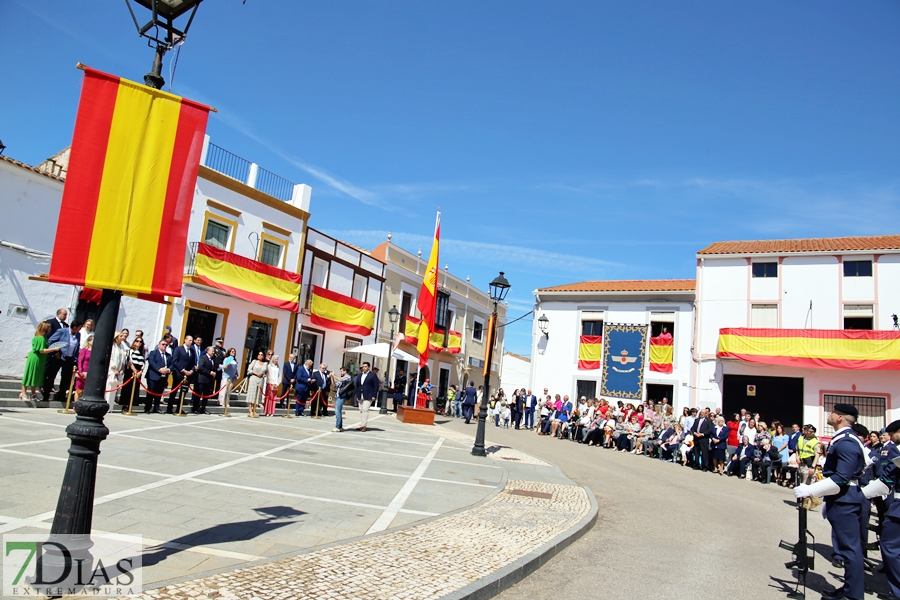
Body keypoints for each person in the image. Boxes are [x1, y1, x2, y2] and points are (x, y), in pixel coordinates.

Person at [795, 404, 867, 600]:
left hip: (845, 499)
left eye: (833, 412)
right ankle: (850, 589)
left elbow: (842, 477)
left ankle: (853, 595)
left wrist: (810, 490)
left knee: (850, 550)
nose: (830, 414)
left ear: (840, 417)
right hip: (841, 498)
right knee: (847, 549)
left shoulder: (846, 442)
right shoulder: (845, 439)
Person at [45, 320, 82, 403]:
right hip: (59, 357)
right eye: (79, 328)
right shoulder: (62, 331)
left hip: (69, 358)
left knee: (66, 378)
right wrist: (56, 352)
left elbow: (77, 346)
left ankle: (61, 395)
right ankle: (46, 394)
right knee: (51, 375)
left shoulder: (78, 335)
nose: (80, 329)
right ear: (75, 327)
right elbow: (51, 341)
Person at [21, 322, 57, 401]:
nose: (50, 329)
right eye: (48, 328)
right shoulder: (40, 338)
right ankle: (23, 393)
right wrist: (54, 349)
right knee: (29, 375)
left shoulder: (42, 337)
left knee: (35, 376)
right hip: (36, 359)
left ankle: (33, 394)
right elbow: (41, 350)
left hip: (39, 359)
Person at [170, 335, 197, 415]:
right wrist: (183, 370)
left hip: (187, 375)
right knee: (174, 391)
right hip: (178, 373)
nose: (191, 342)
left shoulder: (192, 351)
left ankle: (179, 407)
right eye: (189, 340)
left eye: (192, 340)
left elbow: (193, 363)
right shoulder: (178, 349)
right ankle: (170, 408)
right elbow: (175, 361)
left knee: (183, 392)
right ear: (185, 340)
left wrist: (191, 371)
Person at [145, 340, 171, 413]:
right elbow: (152, 362)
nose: (164, 346)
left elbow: (172, 364)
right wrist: (159, 369)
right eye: (163, 344)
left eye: (166, 345)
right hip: (153, 376)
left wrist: (168, 370)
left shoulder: (168, 355)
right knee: (151, 392)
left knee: (159, 393)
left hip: (163, 377)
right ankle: (148, 408)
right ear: (159, 345)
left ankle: (156, 407)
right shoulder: (153, 353)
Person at [120, 338, 145, 411]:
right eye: (137, 341)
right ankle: (125, 405)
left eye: (140, 342)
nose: (139, 343)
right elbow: (129, 361)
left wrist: (140, 371)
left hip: (138, 372)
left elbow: (143, 363)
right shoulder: (130, 351)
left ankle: (131, 405)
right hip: (131, 371)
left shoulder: (141, 352)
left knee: (134, 389)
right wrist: (134, 370)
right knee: (128, 388)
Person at [354, 361, 378, 432]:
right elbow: (357, 385)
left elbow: (376, 385)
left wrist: (374, 395)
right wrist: (357, 395)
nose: (364, 368)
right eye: (363, 366)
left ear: (368, 367)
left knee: (365, 409)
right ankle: (361, 424)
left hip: (368, 395)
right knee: (361, 410)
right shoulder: (360, 375)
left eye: (365, 367)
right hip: (360, 394)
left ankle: (364, 425)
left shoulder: (372, 375)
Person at [193, 346, 217, 415]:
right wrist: (209, 372)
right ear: (207, 351)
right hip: (202, 379)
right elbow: (200, 367)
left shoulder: (212, 359)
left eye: (213, 351)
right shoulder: (203, 358)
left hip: (209, 380)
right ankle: (195, 408)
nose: (213, 352)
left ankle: (203, 408)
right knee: (198, 395)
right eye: (212, 351)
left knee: (206, 396)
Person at [333, 366, 354, 432]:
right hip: (338, 395)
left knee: (337, 411)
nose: (340, 372)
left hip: (342, 395)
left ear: (345, 371)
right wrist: (332, 377)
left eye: (341, 371)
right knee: (338, 411)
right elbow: (336, 384)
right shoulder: (342, 378)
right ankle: (340, 426)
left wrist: (334, 375)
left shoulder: (348, 377)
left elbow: (340, 379)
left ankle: (338, 426)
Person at [246, 351, 267, 416]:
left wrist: (263, 375)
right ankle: (250, 410)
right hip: (254, 378)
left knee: (257, 395)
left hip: (260, 380)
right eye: (259, 354)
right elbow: (249, 370)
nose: (260, 355)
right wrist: (256, 373)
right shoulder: (254, 362)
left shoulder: (265, 363)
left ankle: (254, 410)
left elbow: (265, 372)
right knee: (251, 394)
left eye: (262, 354)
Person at [74, 334, 93, 401]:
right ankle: (76, 405)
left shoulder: (94, 351)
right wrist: (80, 370)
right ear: (89, 341)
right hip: (83, 371)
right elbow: (80, 360)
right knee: (79, 389)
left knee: (86, 390)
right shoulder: (84, 350)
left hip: (90, 371)